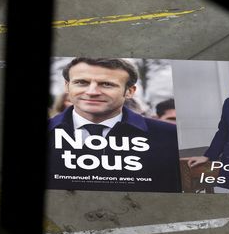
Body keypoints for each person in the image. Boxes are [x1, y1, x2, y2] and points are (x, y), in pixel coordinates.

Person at [47, 57, 181, 192]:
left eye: (106, 84)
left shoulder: (170, 137)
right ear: (67, 86)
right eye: (81, 82)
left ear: (129, 91)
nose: (92, 92)